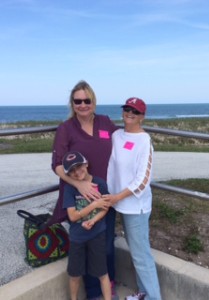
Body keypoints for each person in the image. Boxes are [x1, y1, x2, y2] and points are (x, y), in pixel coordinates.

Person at [50, 80, 118, 299]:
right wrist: (79, 184)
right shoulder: (66, 129)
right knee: (86, 247)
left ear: (93, 101)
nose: (82, 105)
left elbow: (125, 140)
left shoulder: (105, 122)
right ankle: (93, 293)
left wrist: (141, 134)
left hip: (106, 194)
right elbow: (57, 165)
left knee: (106, 245)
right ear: (72, 103)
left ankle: (109, 287)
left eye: (86, 100)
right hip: (80, 200)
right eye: (77, 101)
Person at [103, 98, 162, 300]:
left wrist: (117, 196)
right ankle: (143, 293)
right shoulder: (116, 135)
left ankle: (153, 297)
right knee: (136, 252)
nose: (130, 113)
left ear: (142, 117)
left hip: (135, 206)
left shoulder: (144, 140)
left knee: (141, 256)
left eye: (135, 111)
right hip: (116, 202)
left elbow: (143, 180)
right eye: (127, 109)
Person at [62, 151, 111, 300]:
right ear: (68, 174)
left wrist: (94, 220)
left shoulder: (100, 183)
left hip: (97, 235)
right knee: (75, 275)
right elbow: (72, 216)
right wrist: (93, 205)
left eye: (79, 166)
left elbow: (105, 208)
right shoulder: (69, 189)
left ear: (86, 164)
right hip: (77, 238)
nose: (77, 172)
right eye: (72, 170)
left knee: (102, 273)